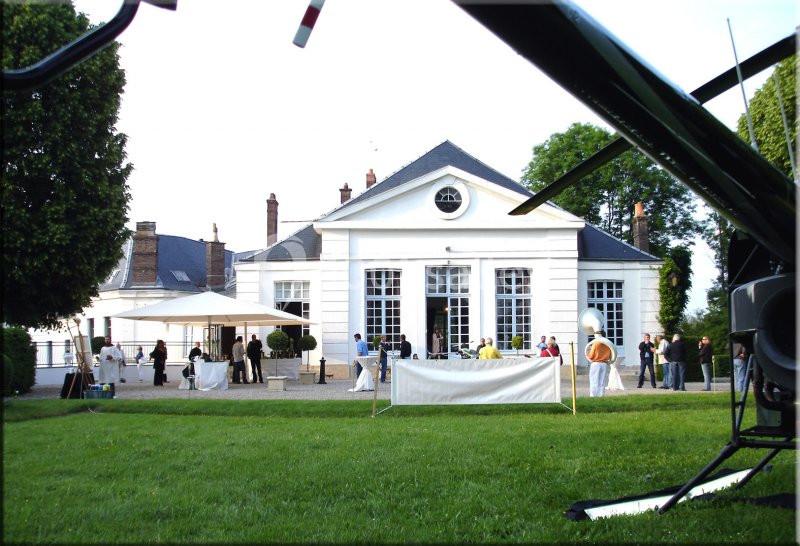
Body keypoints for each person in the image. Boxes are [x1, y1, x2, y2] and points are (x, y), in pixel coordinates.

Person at [587, 330, 613, 397]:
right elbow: (610, 356)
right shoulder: (608, 344)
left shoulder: (596, 343)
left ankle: (593, 396)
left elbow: (591, 355)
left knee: (594, 380)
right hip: (604, 364)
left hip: (596, 363)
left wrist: (588, 352)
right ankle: (601, 395)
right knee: (602, 381)